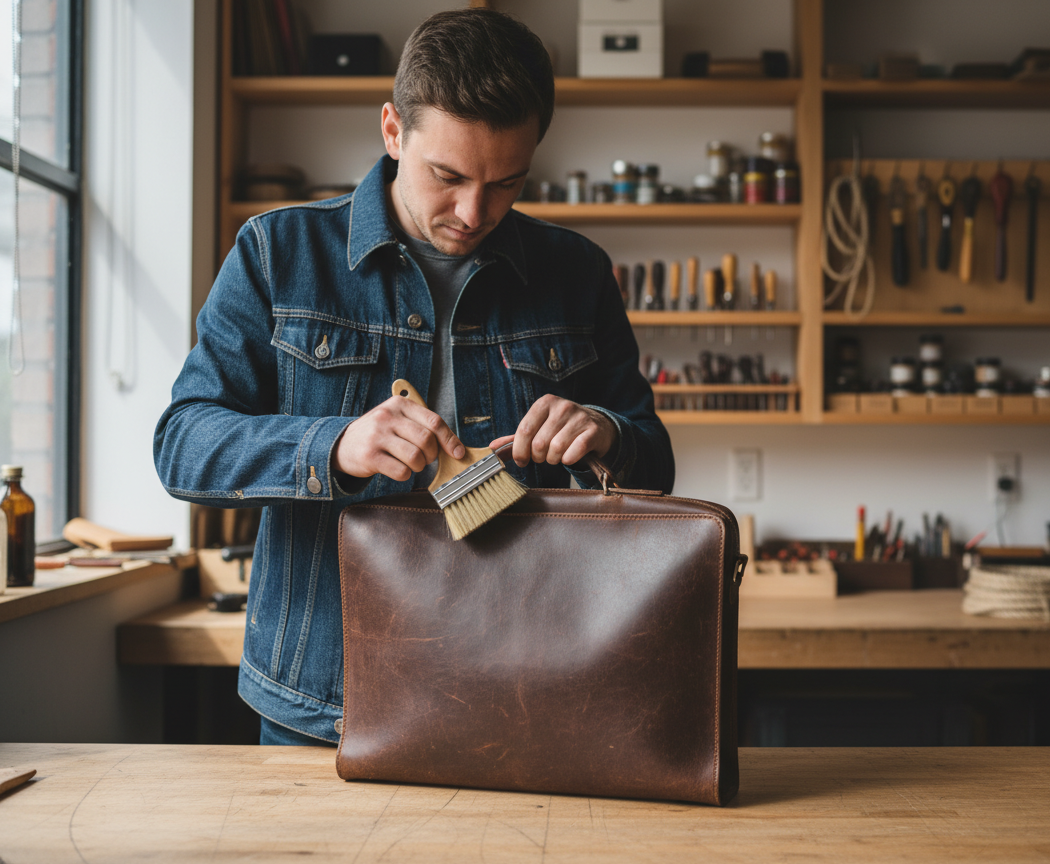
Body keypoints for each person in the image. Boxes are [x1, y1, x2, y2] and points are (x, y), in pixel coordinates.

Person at [154, 9, 674, 746]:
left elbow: (653, 454)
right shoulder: (278, 252)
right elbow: (182, 444)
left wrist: (608, 434)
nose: (473, 212)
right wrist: (332, 447)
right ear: (393, 131)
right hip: (325, 700)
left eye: (507, 183)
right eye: (449, 176)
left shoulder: (577, 272)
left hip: (530, 686)